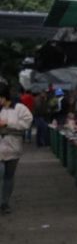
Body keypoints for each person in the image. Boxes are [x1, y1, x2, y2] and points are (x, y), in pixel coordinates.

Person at [0, 83, 33, 214]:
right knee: (1, 172)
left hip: (13, 147)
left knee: (9, 176)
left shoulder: (19, 108)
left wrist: (8, 123)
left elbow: (27, 122)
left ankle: (5, 202)